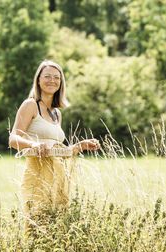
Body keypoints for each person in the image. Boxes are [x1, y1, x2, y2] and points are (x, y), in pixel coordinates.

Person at [8, 60, 100, 230]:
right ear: (38, 80)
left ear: (61, 83)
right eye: (47, 76)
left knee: (56, 225)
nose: (52, 80)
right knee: (37, 224)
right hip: (38, 175)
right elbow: (13, 139)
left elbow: (57, 150)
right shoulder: (30, 105)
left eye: (56, 77)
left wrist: (79, 146)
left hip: (58, 176)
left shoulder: (57, 113)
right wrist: (33, 144)